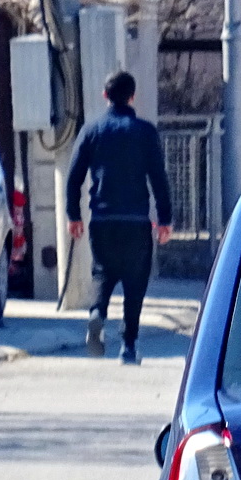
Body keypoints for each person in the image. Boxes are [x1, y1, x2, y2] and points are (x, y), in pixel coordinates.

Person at [65, 71, 172, 364]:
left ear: (105, 96)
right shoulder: (145, 132)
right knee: (135, 283)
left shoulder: (92, 130)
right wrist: (165, 219)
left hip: (101, 219)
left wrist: (73, 214)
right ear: (133, 96)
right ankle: (129, 346)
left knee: (102, 272)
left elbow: (74, 177)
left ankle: (98, 313)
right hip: (136, 220)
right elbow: (158, 178)